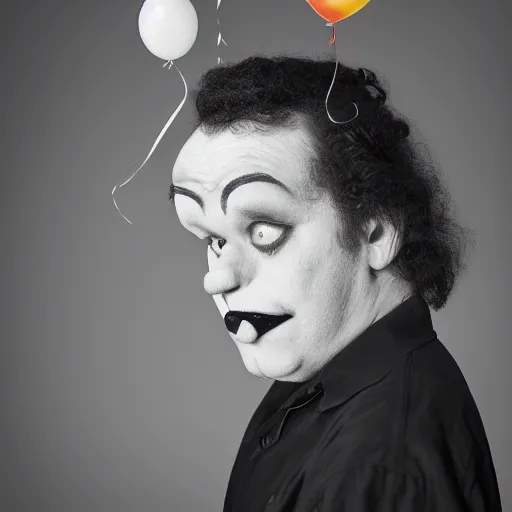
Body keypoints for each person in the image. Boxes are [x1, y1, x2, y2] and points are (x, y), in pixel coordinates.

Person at [170, 56, 502, 511]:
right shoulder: (321, 370)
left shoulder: (380, 464)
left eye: (265, 230)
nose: (218, 278)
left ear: (377, 231)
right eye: (213, 239)